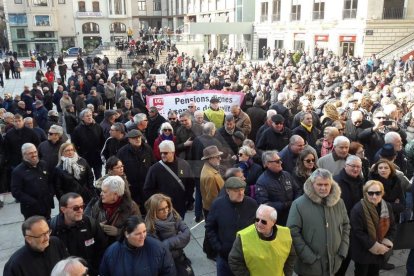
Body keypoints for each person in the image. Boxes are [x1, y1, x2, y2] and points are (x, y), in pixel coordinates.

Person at [286, 168, 350, 276]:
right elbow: (292, 232)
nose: (323, 188)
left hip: (334, 263)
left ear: (331, 184)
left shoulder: (339, 203)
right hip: (309, 267)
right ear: (312, 184)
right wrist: (309, 257)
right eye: (319, 184)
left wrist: (342, 251)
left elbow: (346, 226)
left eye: (326, 185)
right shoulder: (298, 204)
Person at [205, 177, 258, 276]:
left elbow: (257, 227)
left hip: (246, 257)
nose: (241, 193)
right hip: (225, 258)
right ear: (228, 191)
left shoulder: (252, 204)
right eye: (237, 190)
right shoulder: (218, 205)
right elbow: (210, 227)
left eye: (242, 189)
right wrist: (219, 247)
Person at [228, 204, 296, 276]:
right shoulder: (243, 236)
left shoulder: (285, 233)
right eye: (257, 220)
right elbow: (234, 260)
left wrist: (287, 274)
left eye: (264, 221)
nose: (259, 224)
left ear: (273, 222)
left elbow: (291, 256)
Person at [49, 193, 107, 275]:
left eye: (82, 206)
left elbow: (102, 248)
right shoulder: (52, 228)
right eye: (75, 208)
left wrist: (95, 270)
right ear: (63, 209)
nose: (80, 210)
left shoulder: (91, 223)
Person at [99, 215, 176, 276]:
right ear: (127, 234)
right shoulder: (112, 252)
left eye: (144, 231)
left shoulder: (158, 248)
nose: (143, 236)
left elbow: (169, 272)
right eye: (138, 234)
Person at [350, 180, 396, 276]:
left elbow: (392, 227)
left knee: (374, 273)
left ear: (382, 193)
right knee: (361, 273)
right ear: (365, 193)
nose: (374, 196)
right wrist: (375, 246)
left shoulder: (387, 206)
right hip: (363, 251)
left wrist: (386, 243)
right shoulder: (357, 209)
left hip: (380, 250)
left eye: (377, 193)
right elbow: (358, 232)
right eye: (370, 193)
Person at [145, 194, 193, 276]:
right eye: (161, 209)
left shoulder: (173, 214)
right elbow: (160, 250)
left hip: (180, 257)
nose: (166, 211)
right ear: (154, 211)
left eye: (167, 207)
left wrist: (168, 243)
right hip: (167, 264)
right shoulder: (150, 227)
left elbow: (187, 234)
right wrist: (178, 241)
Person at [3, 216, 69, 276]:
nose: (47, 238)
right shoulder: (15, 264)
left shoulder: (55, 243)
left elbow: (67, 264)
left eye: (47, 232)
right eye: (41, 235)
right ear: (28, 239)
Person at [144, 140, 194, 218]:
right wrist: (159, 203)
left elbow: (190, 184)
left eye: (165, 153)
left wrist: (188, 200)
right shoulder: (154, 169)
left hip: (180, 207)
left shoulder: (183, 164)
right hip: (163, 210)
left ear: (173, 152)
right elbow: (147, 190)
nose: (163, 155)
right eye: (161, 153)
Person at [333, 155, 365, 275]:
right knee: (341, 260)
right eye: (353, 166)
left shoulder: (362, 182)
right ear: (346, 166)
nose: (356, 169)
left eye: (358, 167)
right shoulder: (335, 182)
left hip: (356, 227)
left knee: (352, 257)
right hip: (340, 227)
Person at [86, 176, 140, 244]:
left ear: (115, 195)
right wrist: (97, 226)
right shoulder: (97, 205)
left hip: (121, 247)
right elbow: (90, 225)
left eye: (104, 192)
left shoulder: (131, 208)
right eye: (101, 191)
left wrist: (119, 232)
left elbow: (138, 230)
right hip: (101, 247)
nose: (101, 194)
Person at [255, 150, 301, 226]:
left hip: (293, 214)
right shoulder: (261, 182)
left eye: (280, 160)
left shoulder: (286, 175)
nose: (280, 163)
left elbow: (298, 190)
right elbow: (264, 204)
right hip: (278, 220)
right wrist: (284, 205)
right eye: (277, 161)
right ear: (268, 164)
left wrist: (295, 203)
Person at [11, 143, 54, 219]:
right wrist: (33, 202)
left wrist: (50, 194)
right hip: (31, 210)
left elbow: (50, 181)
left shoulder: (43, 164)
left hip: (46, 206)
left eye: (35, 152)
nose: (34, 155)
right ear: (24, 155)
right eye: (30, 153)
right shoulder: (18, 171)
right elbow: (16, 191)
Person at [117, 129, 155, 212]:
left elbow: (153, 164)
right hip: (131, 187)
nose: (137, 139)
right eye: (134, 138)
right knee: (134, 210)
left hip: (146, 185)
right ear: (129, 140)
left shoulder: (148, 149)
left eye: (139, 137)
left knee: (147, 208)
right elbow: (118, 168)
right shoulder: (122, 152)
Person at [200, 145, 225, 260]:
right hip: (212, 208)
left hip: (209, 207)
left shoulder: (209, 169)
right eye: (217, 157)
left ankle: (206, 248)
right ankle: (211, 253)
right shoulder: (210, 175)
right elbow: (213, 198)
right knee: (212, 230)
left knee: (210, 229)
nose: (220, 159)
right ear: (209, 159)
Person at [72, 109, 105, 179]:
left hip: (97, 157)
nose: (89, 117)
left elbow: (103, 141)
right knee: (86, 177)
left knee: (99, 177)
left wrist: (100, 152)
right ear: (82, 118)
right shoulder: (77, 129)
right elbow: (74, 144)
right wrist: (78, 155)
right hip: (84, 157)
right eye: (87, 116)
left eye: (90, 115)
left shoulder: (98, 127)